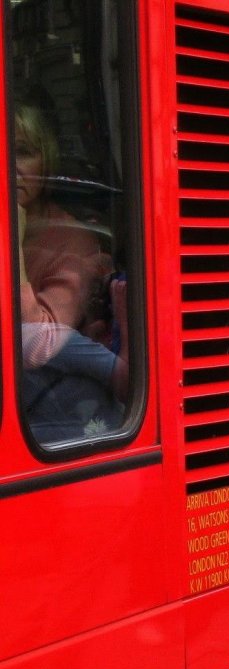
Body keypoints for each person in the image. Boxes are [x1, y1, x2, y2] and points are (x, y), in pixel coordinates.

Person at [15, 98, 128, 443]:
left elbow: (38, 345)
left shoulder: (73, 239)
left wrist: (12, 244)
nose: (7, 164)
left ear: (46, 162)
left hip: (53, 421)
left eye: (21, 152)